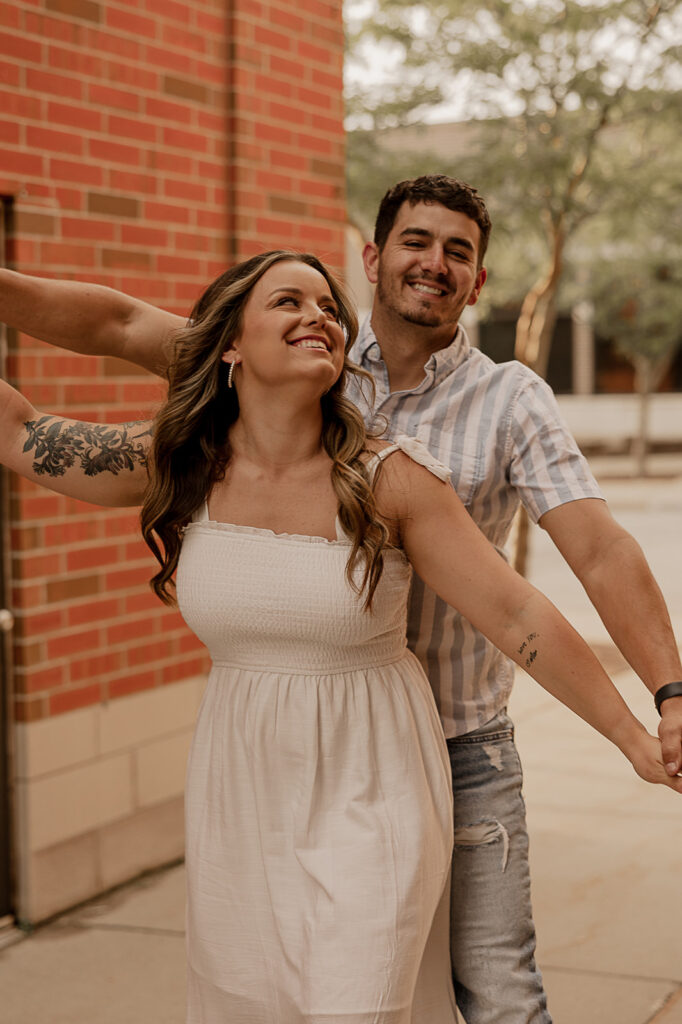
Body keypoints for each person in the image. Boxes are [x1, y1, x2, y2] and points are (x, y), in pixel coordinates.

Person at [2, 180, 682, 1024]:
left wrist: (655, 713)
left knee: (472, 1000)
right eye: (415, 241)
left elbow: (545, 592)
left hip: (426, 752)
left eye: (459, 251)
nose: (314, 316)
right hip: (247, 771)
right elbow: (65, 387)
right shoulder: (206, 442)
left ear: (478, 280)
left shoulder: (430, 443)